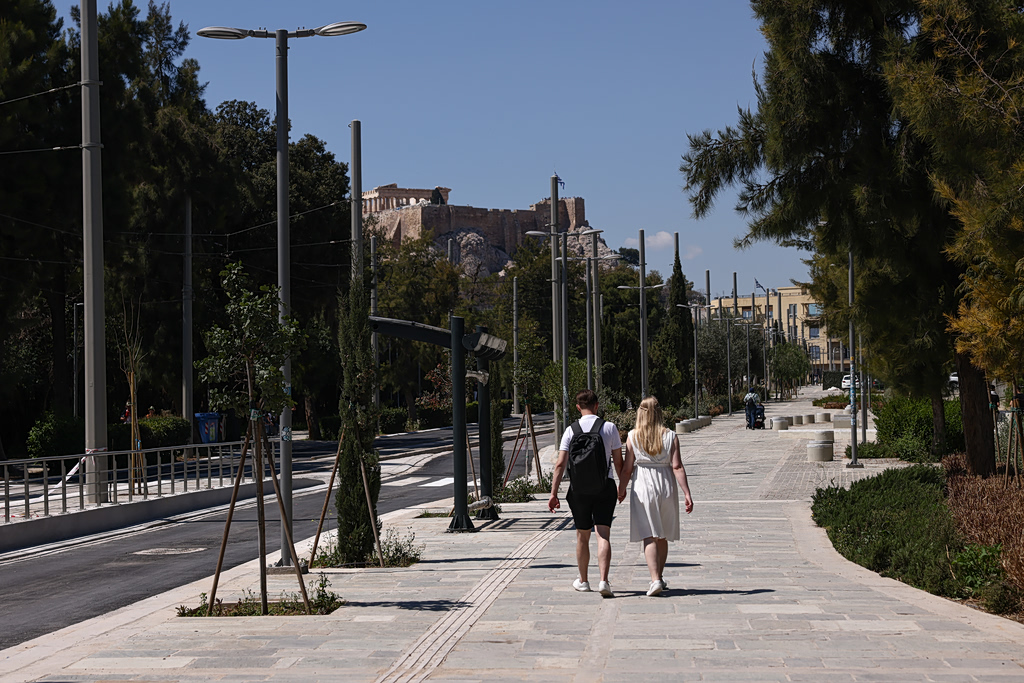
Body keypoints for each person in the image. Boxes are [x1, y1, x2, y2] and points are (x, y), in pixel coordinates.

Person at [548, 389, 623, 598]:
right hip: (605, 487)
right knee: (603, 534)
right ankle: (604, 581)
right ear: (597, 405)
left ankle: (583, 580)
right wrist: (622, 487)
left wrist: (553, 494)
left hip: (579, 490)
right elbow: (618, 462)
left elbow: (560, 464)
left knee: (582, 535)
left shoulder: (571, 430)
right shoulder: (609, 428)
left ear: (578, 407)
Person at [618, 396, 694, 596]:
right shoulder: (670, 436)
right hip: (666, 483)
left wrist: (621, 488)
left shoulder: (633, 436)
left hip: (643, 483)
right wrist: (687, 492)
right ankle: (658, 576)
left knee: (649, 534)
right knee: (662, 535)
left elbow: (627, 469)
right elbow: (677, 466)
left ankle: (655, 579)